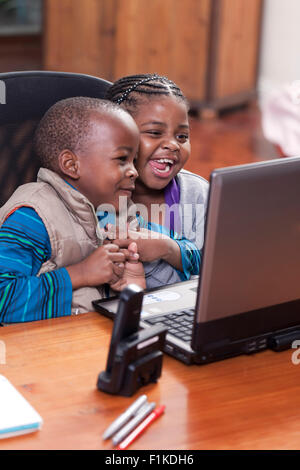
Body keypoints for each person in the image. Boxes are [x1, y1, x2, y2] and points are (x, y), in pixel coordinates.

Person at [0, 97, 145, 324]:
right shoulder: (32, 216)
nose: (134, 172)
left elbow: (190, 252)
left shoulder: (119, 209)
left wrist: (163, 248)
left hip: (97, 341)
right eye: (122, 159)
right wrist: (81, 274)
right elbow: (3, 300)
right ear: (71, 165)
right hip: (47, 350)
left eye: (134, 161)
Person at [105, 74, 209, 289]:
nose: (172, 144)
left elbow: (215, 263)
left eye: (182, 136)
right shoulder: (97, 198)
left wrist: (168, 249)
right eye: (154, 132)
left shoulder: (198, 193)